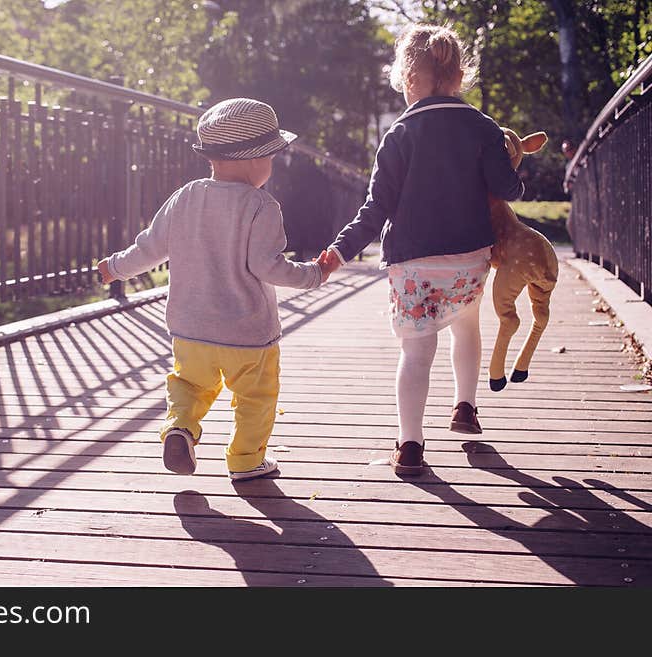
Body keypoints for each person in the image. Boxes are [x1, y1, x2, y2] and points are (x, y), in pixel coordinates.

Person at [319, 24, 524, 475]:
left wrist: (339, 251)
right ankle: (465, 408)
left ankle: (410, 446)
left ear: (411, 78)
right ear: (457, 76)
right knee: (466, 325)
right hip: (468, 256)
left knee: (416, 351)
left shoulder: (399, 133)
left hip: (413, 262)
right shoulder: (483, 127)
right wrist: (514, 162)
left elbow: (376, 208)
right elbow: (508, 188)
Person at [97, 98, 337, 481]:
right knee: (255, 399)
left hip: (190, 330)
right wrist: (313, 275)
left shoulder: (185, 196)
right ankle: (245, 460)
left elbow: (149, 248)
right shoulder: (262, 205)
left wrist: (115, 267)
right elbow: (267, 266)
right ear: (255, 160)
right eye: (271, 158)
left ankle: (180, 428)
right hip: (248, 336)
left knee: (189, 385)